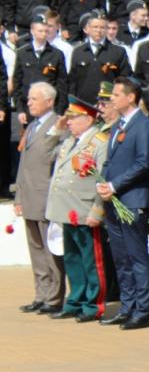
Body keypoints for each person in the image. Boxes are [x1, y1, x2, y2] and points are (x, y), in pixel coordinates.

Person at [97, 77, 149, 331]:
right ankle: (127, 306)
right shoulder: (118, 124)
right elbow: (110, 160)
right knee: (121, 258)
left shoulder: (144, 125)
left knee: (137, 256)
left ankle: (142, 311)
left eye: (116, 94)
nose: (111, 99)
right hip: (114, 199)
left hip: (132, 199)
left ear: (131, 97)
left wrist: (115, 185)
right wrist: (102, 182)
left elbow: (143, 163)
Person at [45, 95, 108, 322]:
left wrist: (97, 211)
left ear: (88, 119)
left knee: (91, 261)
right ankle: (75, 301)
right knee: (72, 259)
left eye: (73, 117)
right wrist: (56, 130)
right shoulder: (70, 140)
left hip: (84, 210)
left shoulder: (99, 142)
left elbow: (102, 179)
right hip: (66, 210)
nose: (68, 121)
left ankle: (93, 305)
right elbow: (45, 153)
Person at [14, 82, 64, 316]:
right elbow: (23, 164)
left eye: (34, 99)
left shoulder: (59, 125)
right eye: (29, 98)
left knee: (50, 249)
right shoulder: (32, 126)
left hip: (46, 196)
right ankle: (41, 294)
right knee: (36, 250)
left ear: (49, 101)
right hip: (29, 195)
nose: (29, 103)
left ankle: (54, 297)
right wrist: (18, 196)